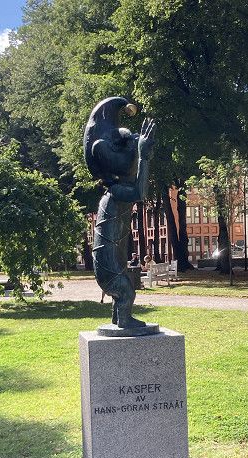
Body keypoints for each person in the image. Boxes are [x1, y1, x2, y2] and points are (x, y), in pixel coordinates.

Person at [84, 97, 155, 328]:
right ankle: (123, 320)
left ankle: (119, 318)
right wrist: (144, 156)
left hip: (111, 264)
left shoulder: (114, 191)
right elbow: (140, 193)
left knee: (125, 289)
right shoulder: (116, 192)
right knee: (126, 291)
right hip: (108, 268)